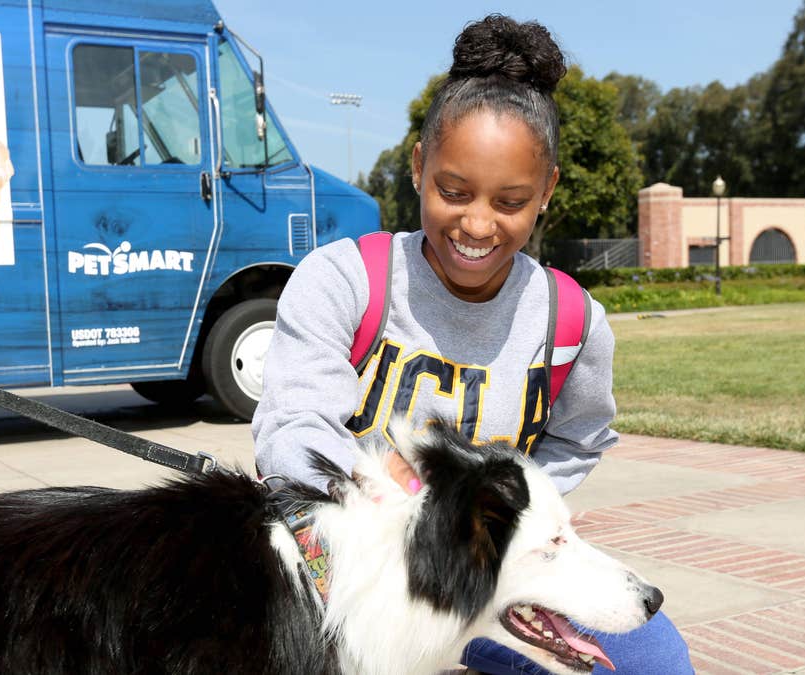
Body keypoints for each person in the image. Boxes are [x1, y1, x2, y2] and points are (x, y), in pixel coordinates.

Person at [252, 14, 692, 675]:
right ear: (418, 164)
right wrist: (402, 513)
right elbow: (293, 430)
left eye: (510, 201)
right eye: (453, 191)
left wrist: (510, 514)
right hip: (350, 573)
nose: (477, 224)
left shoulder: (571, 321)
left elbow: (580, 437)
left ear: (546, 192)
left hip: (481, 580)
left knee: (650, 661)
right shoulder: (345, 279)